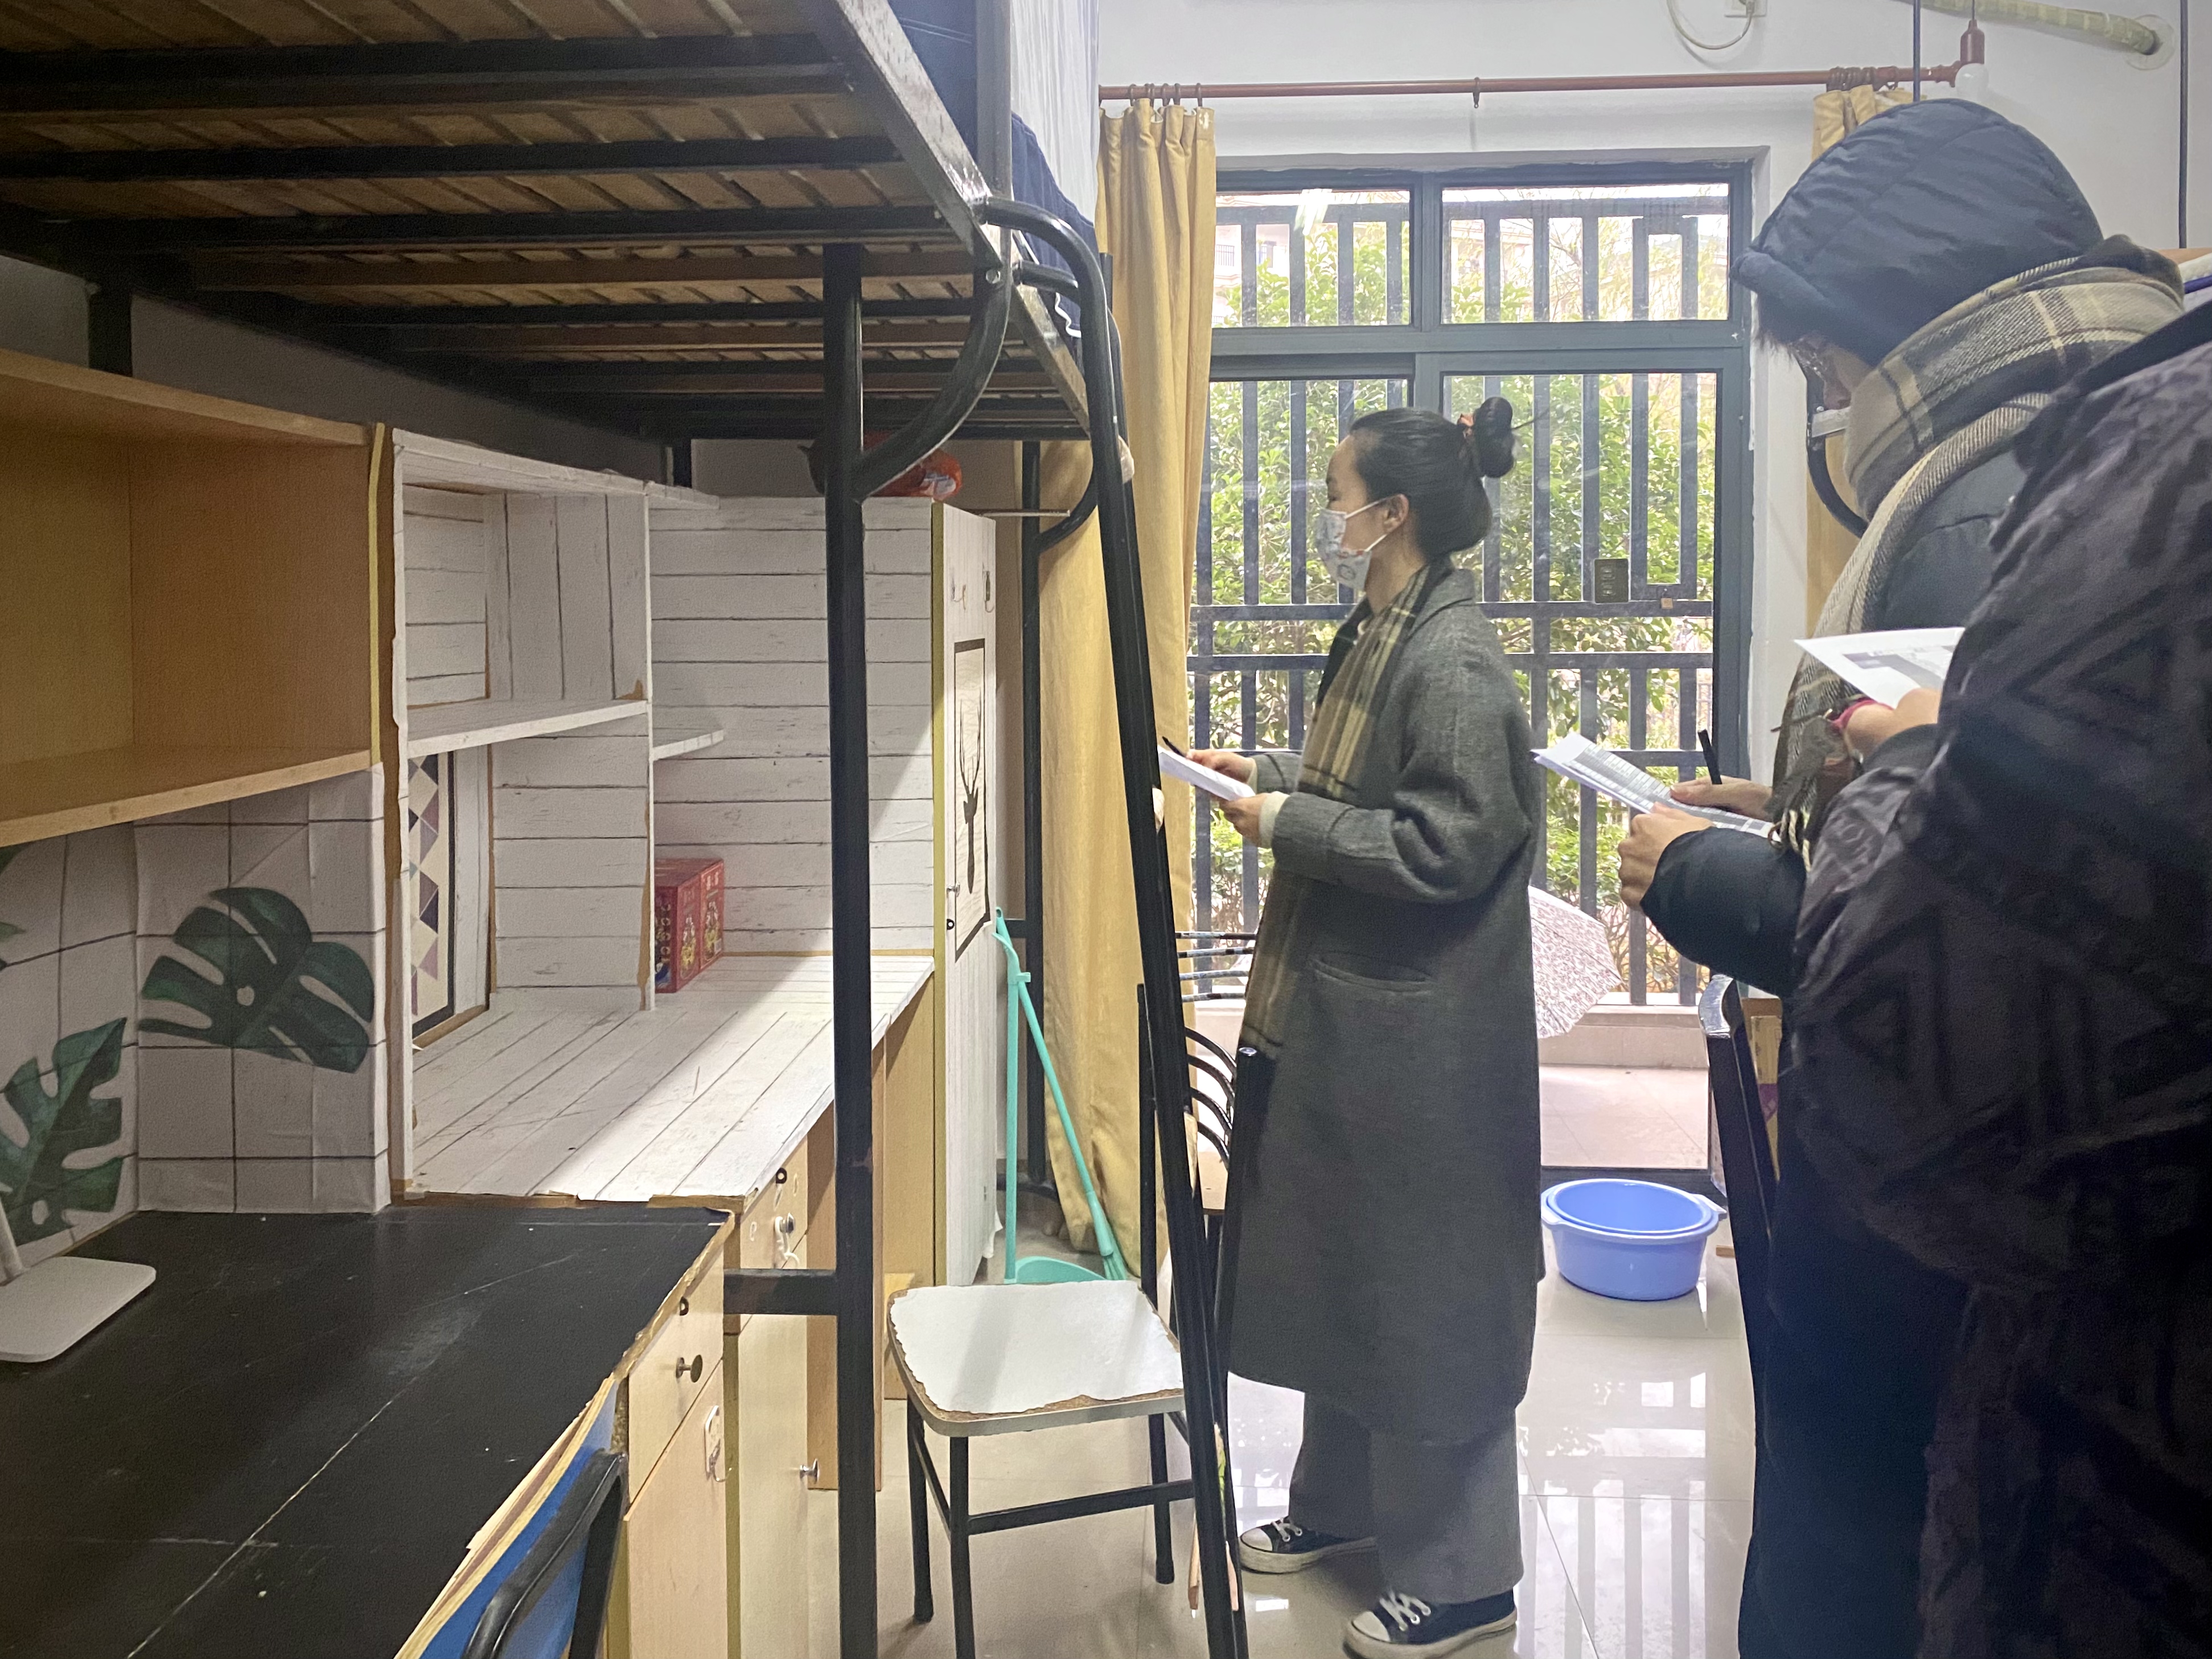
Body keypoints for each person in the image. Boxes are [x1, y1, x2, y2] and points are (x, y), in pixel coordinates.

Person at [1611, 100, 2182, 1659]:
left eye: (1822, 369)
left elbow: (1978, 965)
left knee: (1862, 1580)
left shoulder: (1986, 514)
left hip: (1948, 1276)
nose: (1829, 410)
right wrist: (1793, 808)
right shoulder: (2102, 474)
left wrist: (1703, 874)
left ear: (1897, 331)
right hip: (2034, 1284)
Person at [1791, 300, 2212, 1659]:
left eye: (1821, 361)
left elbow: (1929, 1090)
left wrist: (1906, 773)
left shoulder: (2154, 453)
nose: (1826, 401)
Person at [1186, 401, 1540, 1657]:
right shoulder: (1381, 627)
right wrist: (1268, 778)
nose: (1323, 510)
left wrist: (1289, 826)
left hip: (1421, 1045)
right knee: (1345, 1274)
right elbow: (1363, 788)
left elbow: (1446, 846)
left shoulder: (1453, 660)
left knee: (1425, 1303)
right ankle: (1338, 1510)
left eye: (1334, 491)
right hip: (1349, 1017)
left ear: (1389, 514)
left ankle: (1464, 1580)